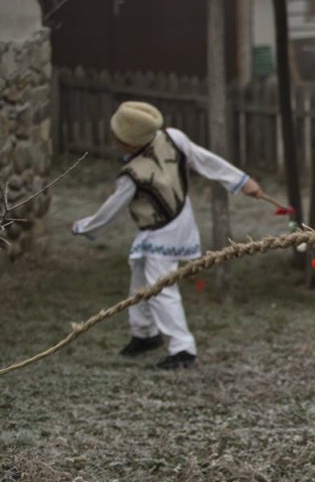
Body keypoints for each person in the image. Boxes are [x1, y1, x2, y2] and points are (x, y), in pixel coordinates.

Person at [72, 101, 262, 370]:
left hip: (165, 231)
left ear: (128, 142)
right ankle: (145, 334)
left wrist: (84, 227)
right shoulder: (172, 138)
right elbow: (204, 159)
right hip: (173, 221)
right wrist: (242, 181)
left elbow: (110, 209)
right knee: (140, 274)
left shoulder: (137, 171)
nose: (111, 136)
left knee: (161, 286)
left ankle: (183, 349)